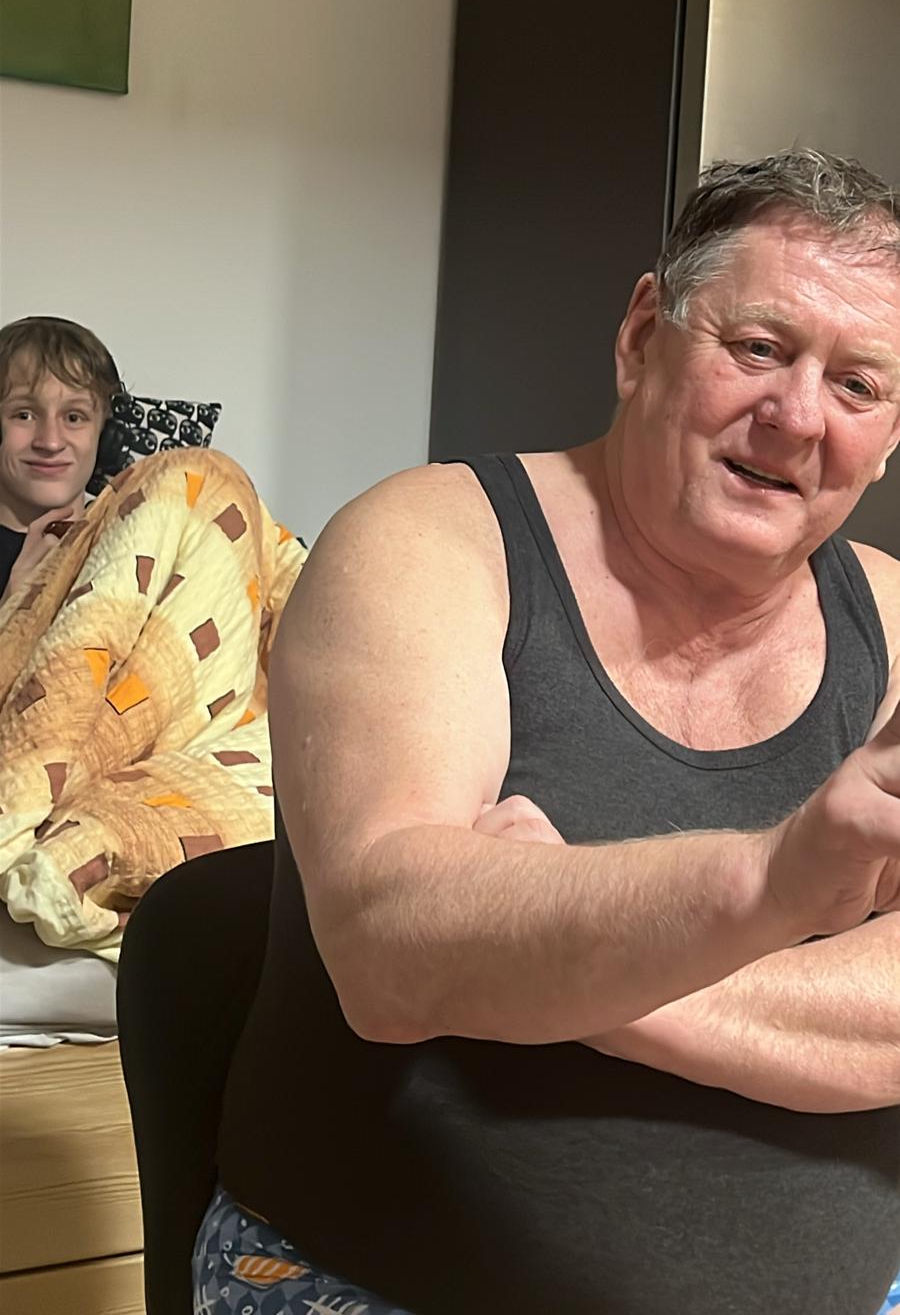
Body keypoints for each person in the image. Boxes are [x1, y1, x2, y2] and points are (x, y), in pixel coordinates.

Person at [204, 150, 900, 1315]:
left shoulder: (892, 617)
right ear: (641, 337)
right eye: (757, 347)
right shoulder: (428, 545)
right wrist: (770, 885)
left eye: (858, 385)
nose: (795, 417)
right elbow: (394, 954)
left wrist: (585, 979)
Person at [0, 315, 123, 605]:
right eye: (24, 415)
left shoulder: (137, 541)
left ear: (106, 437)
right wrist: (12, 605)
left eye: (74, 417)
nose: (50, 442)